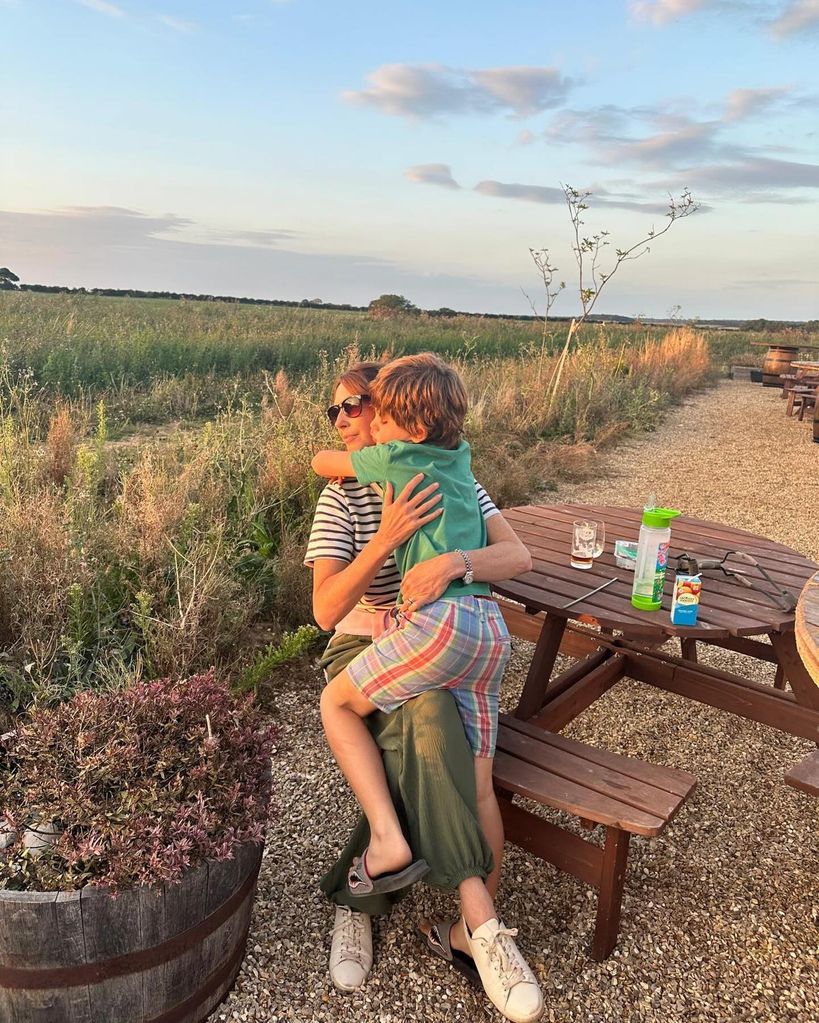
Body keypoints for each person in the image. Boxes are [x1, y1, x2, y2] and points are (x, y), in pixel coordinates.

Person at [305, 359, 544, 1023]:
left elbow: (516, 555)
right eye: (336, 410)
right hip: (370, 642)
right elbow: (325, 610)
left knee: (428, 727)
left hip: (429, 634)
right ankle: (481, 927)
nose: (346, 418)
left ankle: (367, 891)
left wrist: (451, 561)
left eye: (357, 404)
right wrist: (387, 538)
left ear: (389, 414)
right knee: (443, 742)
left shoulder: (445, 471)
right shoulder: (347, 495)